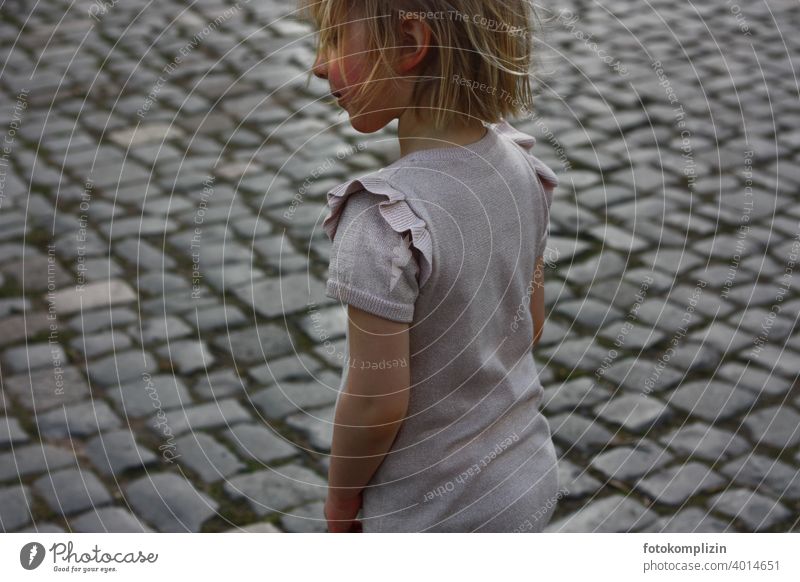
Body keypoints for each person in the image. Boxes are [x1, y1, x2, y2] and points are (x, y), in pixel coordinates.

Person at [301, 0, 561, 532]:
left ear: (409, 44)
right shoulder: (522, 169)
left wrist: (340, 508)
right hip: (525, 480)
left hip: (432, 514)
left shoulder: (386, 222)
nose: (317, 65)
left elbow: (375, 404)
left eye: (331, 39)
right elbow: (529, 324)